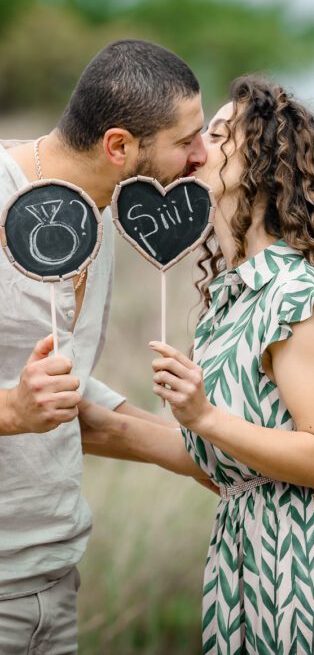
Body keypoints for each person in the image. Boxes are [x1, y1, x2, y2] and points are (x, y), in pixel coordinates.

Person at [79, 75, 314, 654]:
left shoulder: (294, 296)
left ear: (262, 163)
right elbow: (222, 459)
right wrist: (92, 419)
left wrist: (204, 416)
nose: (196, 148)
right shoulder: (235, 295)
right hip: (248, 554)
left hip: (312, 564)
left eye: (216, 134)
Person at [0, 39, 215, 654]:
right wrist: (12, 410)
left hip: (52, 576)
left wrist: (217, 457)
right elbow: (25, 403)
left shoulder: (99, 216)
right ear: (119, 146)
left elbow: (67, 395)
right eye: (186, 141)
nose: (203, 155)